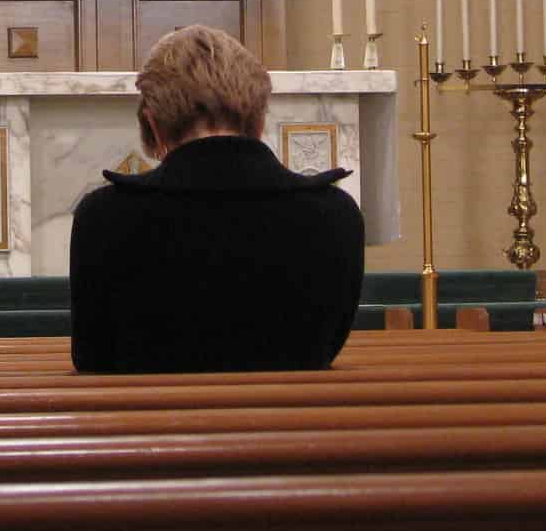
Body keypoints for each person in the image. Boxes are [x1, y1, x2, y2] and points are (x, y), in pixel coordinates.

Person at [69, 25, 366, 373]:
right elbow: (326, 349)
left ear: (154, 125)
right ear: (259, 118)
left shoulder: (104, 218)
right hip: (290, 424)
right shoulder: (335, 215)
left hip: (149, 424)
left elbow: (92, 358)